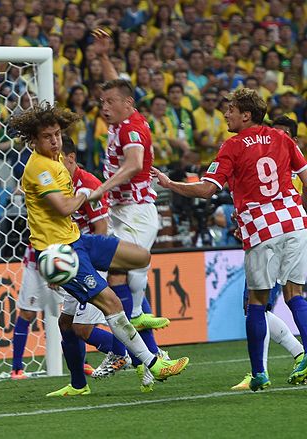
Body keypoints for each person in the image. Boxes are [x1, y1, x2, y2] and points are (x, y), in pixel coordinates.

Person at [9, 102, 189, 397]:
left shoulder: (56, 163)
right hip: (61, 253)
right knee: (110, 304)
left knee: (139, 257)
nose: (54, 141)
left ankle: (80, 383)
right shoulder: (40, 169)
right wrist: (83, 195)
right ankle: (151, 362)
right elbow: (63, 206)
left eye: (56, 134)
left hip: (79, 241)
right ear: (33, 140)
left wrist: (82, 195)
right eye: (47, 137)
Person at [152, 88, 307, 391]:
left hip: (262, 229)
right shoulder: (283, 139)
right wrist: (300, 207)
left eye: (232, 109)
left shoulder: (233, 146)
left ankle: (259, 373)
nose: (226, 114)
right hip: (294, 222)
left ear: (246, 115)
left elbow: (208, 190)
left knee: (257, 302)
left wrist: (171, 184)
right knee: (296, 294)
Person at [88, 28, 170, 392]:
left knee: (123, 271)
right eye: (102, 102)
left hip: (137, 210)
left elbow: (135, 164)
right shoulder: (121, 118)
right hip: (122, 209)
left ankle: (131, 340)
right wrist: (105, 55)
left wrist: (99, 190)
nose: (103, 106)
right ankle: (148, 357)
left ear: (128, 105)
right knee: (118, 276)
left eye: (109, 103)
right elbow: (115, 86)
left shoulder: (132, 130)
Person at [10, 135, 130, 385]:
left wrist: (85, 269)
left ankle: (132, 355)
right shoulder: (50, 179)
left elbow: (100, 230)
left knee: (82, 328)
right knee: (65, 322)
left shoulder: (87, 184)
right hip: (62, 260)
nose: (52, 161)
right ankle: (77, 383)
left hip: (82, 262)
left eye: (57, 157)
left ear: (70, 158)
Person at [230, 115, 306, 390]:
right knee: (272, 302)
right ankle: (292, 357)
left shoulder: (290, 169)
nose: (270, 140)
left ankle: (263, 370)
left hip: (274, 234)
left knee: (257, 304)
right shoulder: (274, 158)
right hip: (291, 229)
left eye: (282, 133)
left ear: (293, 140)